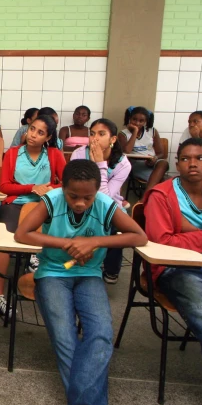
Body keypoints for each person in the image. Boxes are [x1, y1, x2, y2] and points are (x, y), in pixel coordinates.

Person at [15, 160, 147, 405]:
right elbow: (22, 234)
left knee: (100, 334)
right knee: (64, 336)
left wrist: (95, 241)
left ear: (97, 191)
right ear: (63, 188)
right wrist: (67, 243)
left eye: (87, 197)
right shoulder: (52, 200)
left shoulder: (104, 204)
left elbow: (139, 237)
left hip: (89, 275)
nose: (79, 203)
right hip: (52, 273)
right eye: (73, 196)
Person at [141, 138, 202, 377]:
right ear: (177, 164)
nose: (192, 163)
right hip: (176, 269)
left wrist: (197, 237)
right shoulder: (161, 195)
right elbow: (162, 244)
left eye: (200, 158)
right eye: (185, 159)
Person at [0, 114, 66, 317]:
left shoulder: (54, 155)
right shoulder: (14, 153)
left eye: (40, 132)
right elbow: (5, 186)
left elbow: (67, 182)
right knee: (2, 241)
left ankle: (45, 285)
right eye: (32, 129)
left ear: (48, 137)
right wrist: (32, 187)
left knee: (51, 239)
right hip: (15, 203)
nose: (33, 135)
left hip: (43, 207)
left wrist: (50, 188)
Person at [70, 119, 131, 285]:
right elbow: (76, 187)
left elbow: (105, 199)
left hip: (108, 203)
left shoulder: (122, 163)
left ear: (112, 139)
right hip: (82, 200)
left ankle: (111, 269)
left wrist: (100, 165)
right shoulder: (79, 154)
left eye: (101, 134)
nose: (94, 138)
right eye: (92, 134)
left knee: (117, 224)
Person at [117, 106, 168, 191]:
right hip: (135, 163)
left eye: (141, 121)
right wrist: (135, 132)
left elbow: (161, 153)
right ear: (129, 118)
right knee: (159, 181)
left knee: (163, 163)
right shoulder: (123, 134)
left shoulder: (152, 131)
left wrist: (155, 158)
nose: (137, 123)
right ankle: (146, 197)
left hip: (152, 162)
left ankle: (145, 197)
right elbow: (126, 151)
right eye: (134, 119)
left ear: (146, 122)